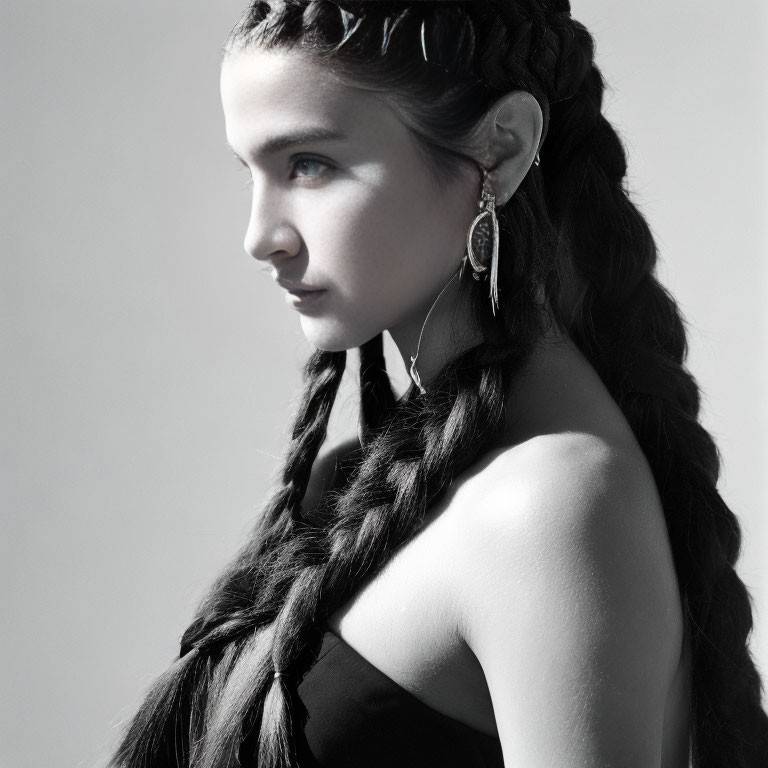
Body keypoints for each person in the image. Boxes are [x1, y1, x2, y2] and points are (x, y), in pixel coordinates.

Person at [109, 1, 768, 766]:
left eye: (310, 165)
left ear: (503, 147)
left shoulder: (552, 506)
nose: (261, 237)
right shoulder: (361, 483)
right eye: (251, 170)